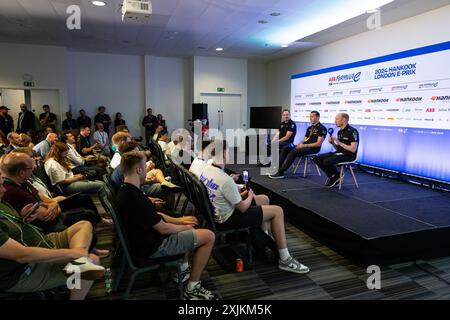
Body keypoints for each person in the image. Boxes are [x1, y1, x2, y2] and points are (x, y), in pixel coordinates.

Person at [116, 151, 218, 300]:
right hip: (153, 247)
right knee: (209, 236)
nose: (147, 170)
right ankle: (192, 288)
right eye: (145, 166)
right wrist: (185, 227)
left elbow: (157, 217)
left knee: (182, 223)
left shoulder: (127, 190)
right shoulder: (135, 197)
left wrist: (181, 221)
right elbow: (163, 228)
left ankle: (182, 271)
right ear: (138, 169)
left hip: (146, 240)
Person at [199, 140, 310, 274]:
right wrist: (250, 195)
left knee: (264, 199)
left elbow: (222, 189)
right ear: (223, 153)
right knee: (278, 211)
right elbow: (243, 208)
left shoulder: (207, 168)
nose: (229, 153)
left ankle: (262, 240)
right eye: (227, 151)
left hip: (218, 212)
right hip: (229, 218)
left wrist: (236, 189)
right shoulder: (224, 180)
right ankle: (285, 259)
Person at [0, 174, 105, 300]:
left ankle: (78, 263)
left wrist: (23, 217)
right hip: (22, 271)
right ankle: (78, 266)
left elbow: (12, 227)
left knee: (83, 224)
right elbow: (22, 255)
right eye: (0, 186)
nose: (4, 189)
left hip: (41, 242)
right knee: (91, 262)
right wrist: (72, 253)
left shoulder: (2, 203)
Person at [269, 111, 327, 179]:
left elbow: (318, 144)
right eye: (310, 116)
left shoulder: (322, 128)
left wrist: (303, 146)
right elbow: (305, 139)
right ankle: (277, 168)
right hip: (305, 146)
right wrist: (298, 144)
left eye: (312, 116)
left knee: (294, 151)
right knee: (286, 148)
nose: (310, 118)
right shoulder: (310, 128)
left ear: (318, 117)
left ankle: (281, 172)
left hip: (313, 148)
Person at [313, 113, 359, 188]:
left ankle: (335, 176)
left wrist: (339, 142)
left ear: (344, 120)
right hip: (339, 153)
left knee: (326, 161)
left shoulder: (352, 131)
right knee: (316, 158)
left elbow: (353, 149)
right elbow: (338, 148)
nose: (335, 121)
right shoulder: (340, 131)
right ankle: (334, 175)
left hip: (349, 155)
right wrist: (332, 142)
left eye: (337, 119)